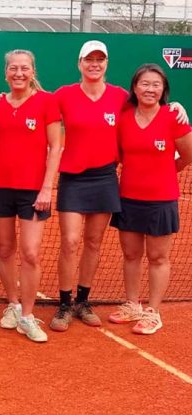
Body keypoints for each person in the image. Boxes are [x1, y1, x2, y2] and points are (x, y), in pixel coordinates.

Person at [51, 40, 187, 332]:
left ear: (107, 64)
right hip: (74, 179)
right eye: (89, 59)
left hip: (105, 179)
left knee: (94, 242)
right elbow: (37, 103)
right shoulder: (63, 94)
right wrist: (3, 96)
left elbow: (153, 106)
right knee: (71, 241)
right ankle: (64, 304)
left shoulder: (120, 98)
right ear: (79, 63)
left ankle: (83, 302)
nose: (94, 64)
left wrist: (174, 105)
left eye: (100, 59)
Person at [109, 64, 192, 334]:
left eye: (156, 84)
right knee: (131, 254)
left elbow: (188, 154)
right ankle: (132, 305)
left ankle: (153, 312)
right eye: (144, 84)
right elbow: (119, 155)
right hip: (128, 197)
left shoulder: (173, 116)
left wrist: (167, 171)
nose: (150, 89)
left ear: (163, 89)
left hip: (161, 200)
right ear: (134, 87)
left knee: (158, 257)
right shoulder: (123, 118)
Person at [0, 50, 61, 343]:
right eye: (13, 68)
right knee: (5, 249)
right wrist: (5, 147)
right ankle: (13, 305)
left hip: (33, 190)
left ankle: (28, 316)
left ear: (32, 72)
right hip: (0, 186)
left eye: (24, 68)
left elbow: (55, 147)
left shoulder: (47, 102)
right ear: (6, 73)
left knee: (30, 252)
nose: (19, 73)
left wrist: (46, 188)